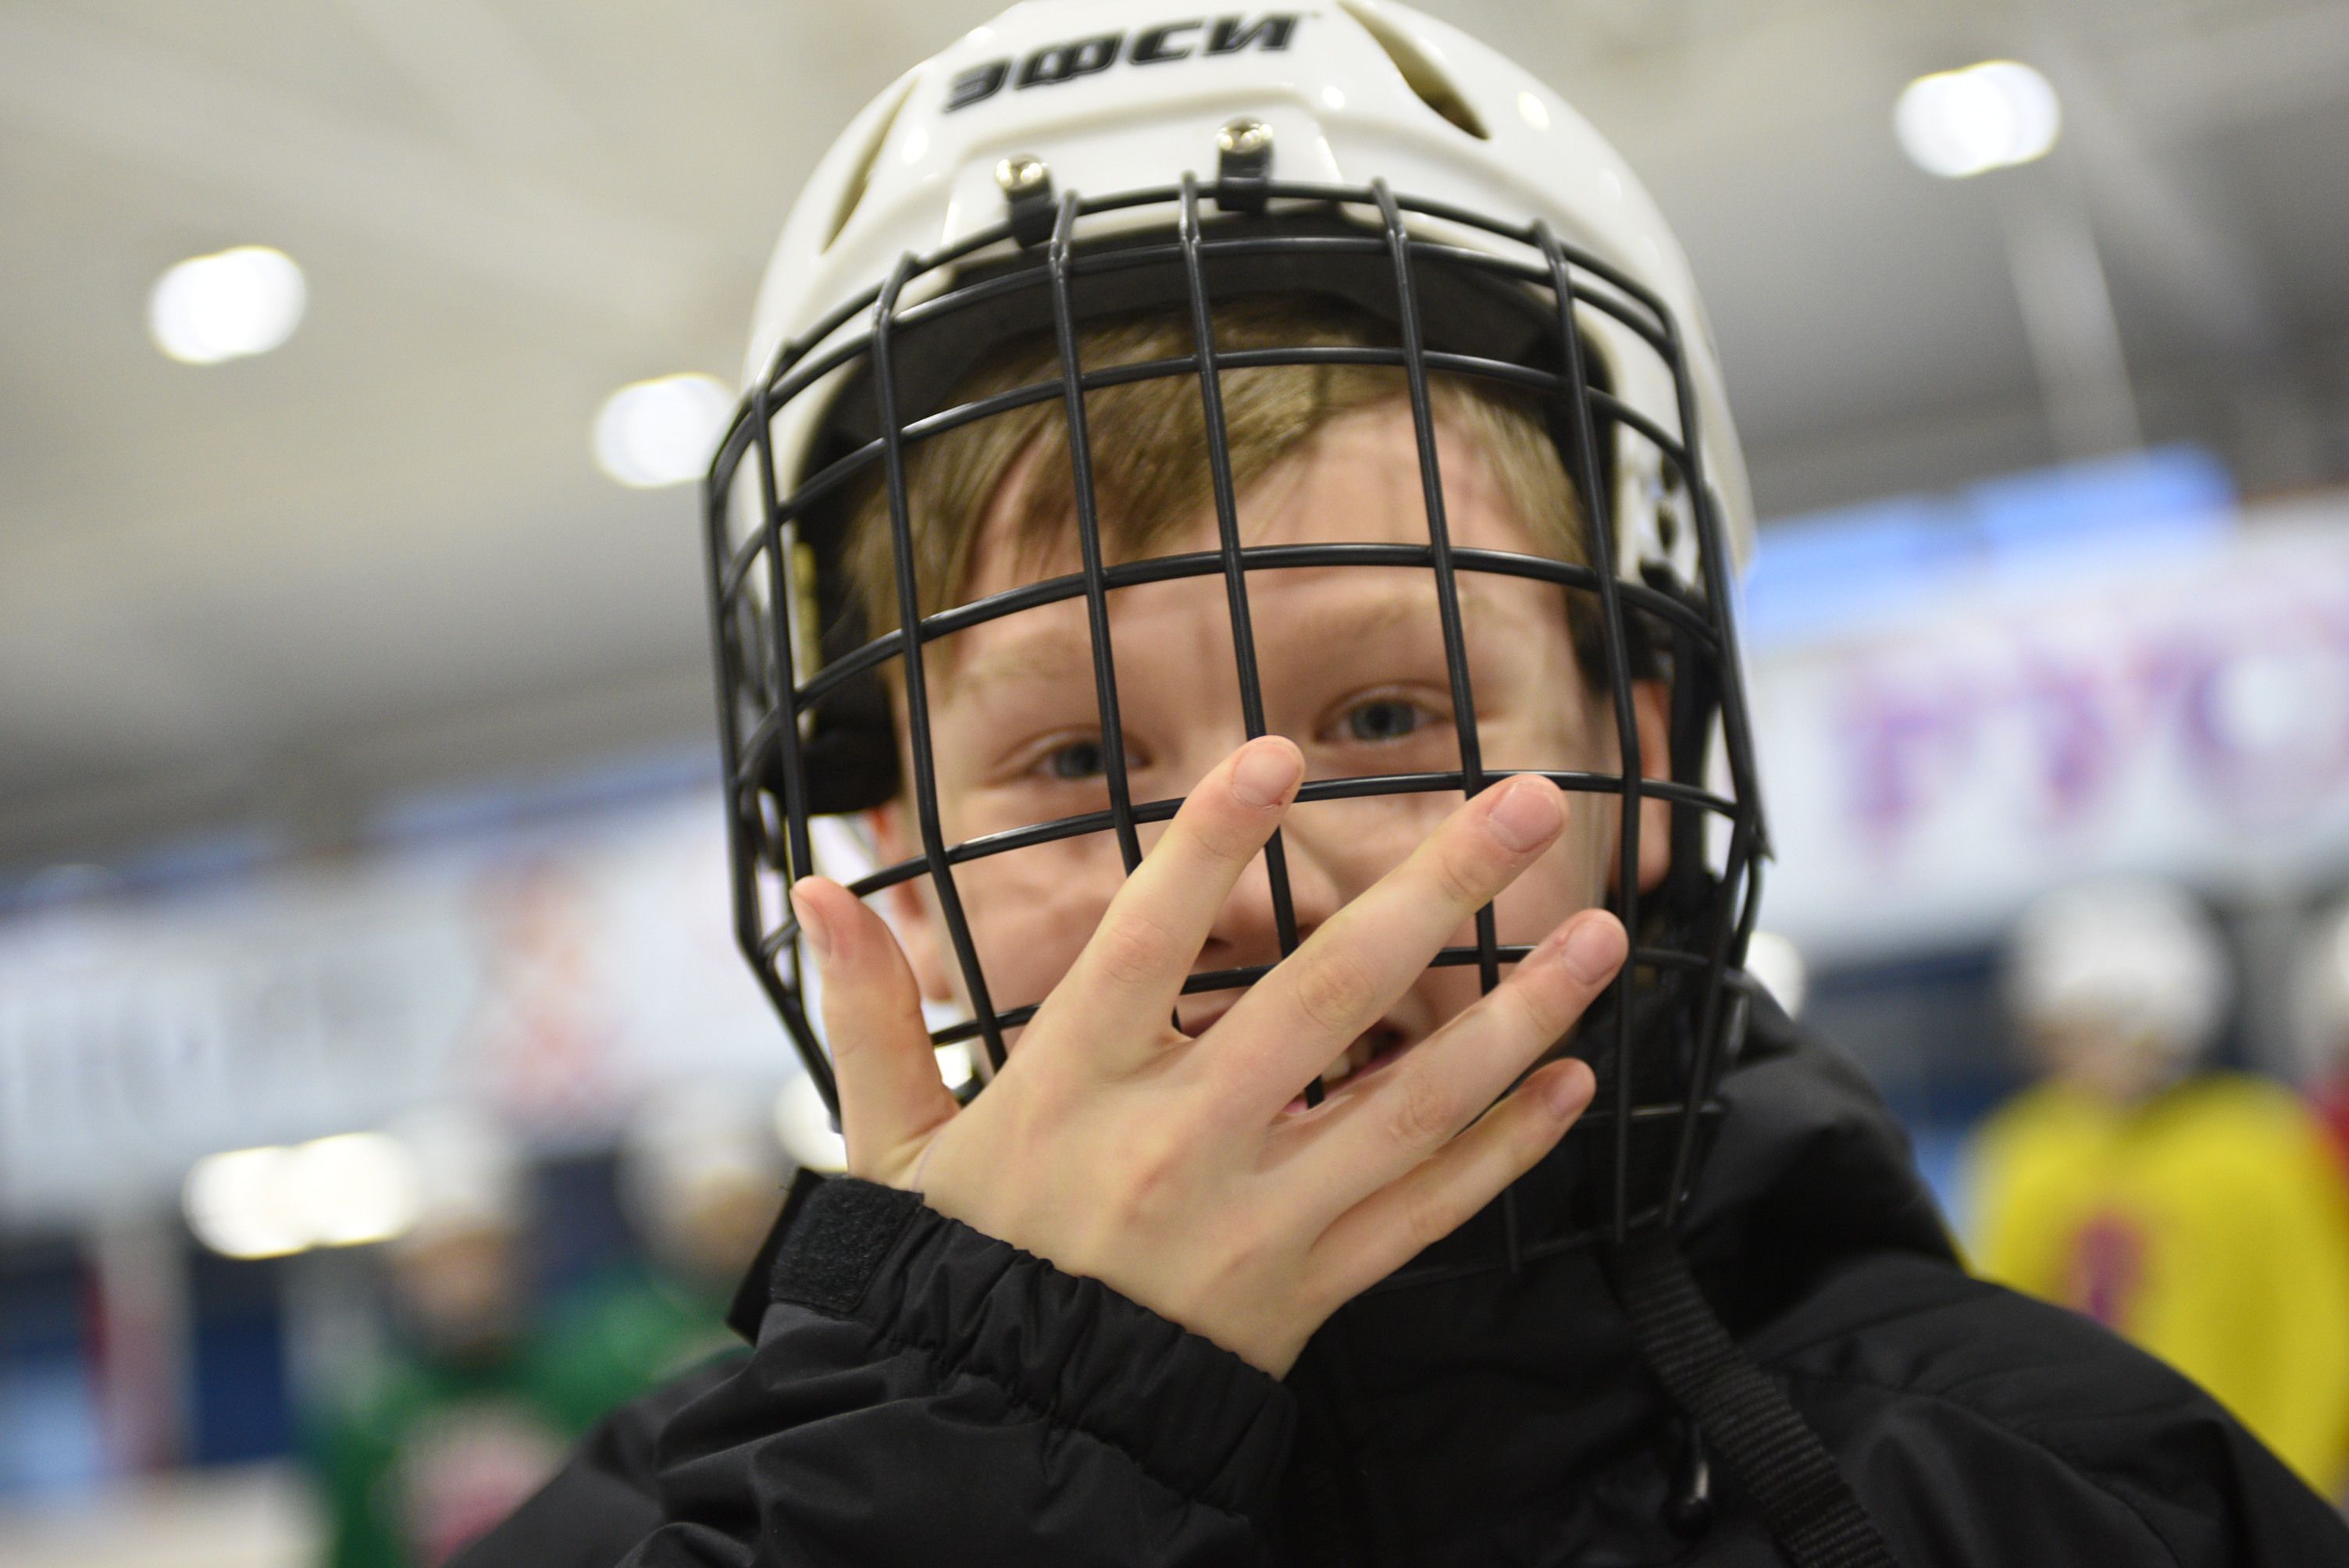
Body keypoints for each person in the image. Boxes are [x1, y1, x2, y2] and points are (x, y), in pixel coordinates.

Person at [459, 2, 2349, 1562]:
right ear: (890, 846)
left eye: (1380, 718)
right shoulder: (662, 1531)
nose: (1238, 871)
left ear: (1633, 737)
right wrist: (977, 1463)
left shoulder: (2052, 1497)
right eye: (1069, 754)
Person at [1966, 879, 2349, 1498]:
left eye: (2085, 1029)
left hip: (2250, 1484)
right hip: (2100, 1496)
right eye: (2058, 1033)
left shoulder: (2255, 1142)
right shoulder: (2026, 1148)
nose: (2064, 1054)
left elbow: (2317, 1336)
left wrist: (2286, 1485)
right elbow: (2002, 1338)